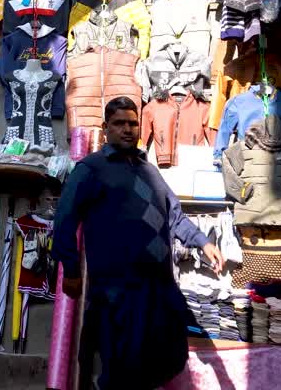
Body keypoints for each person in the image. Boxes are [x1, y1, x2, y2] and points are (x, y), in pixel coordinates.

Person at [52, 96, 224, 390]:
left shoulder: (150, 172)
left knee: (163, 362)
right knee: (120, 371)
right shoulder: (92, 169)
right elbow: (65, 219)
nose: (128, 129)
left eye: (133, 123)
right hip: (117, 293)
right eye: (119, 123)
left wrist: (202, 242)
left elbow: (174, 216)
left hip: (158, 290)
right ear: (106, 128)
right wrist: (70, 268)